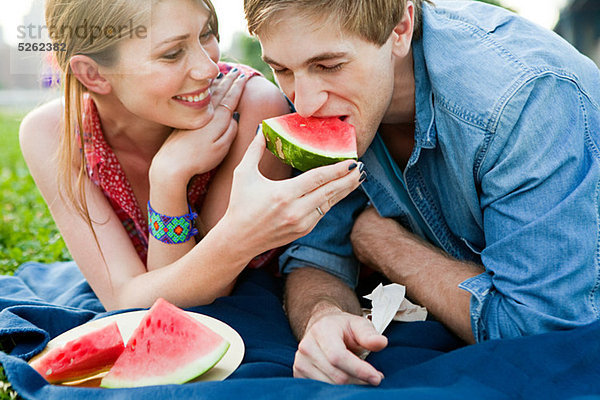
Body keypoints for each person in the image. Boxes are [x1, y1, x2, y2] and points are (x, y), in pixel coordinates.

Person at [243, 0, 600, 386]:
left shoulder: (522, 101)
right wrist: (324, 316)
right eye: (280, 69)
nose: (306, 103)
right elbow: (316, 256)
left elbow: (540, 334)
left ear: (400, 29)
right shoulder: (337, 101)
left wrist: (382, 243)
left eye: (328, 66)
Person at [19, 0, 363, 311]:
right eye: (172, 53)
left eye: (206, 34)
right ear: (93, 74)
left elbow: (204, 289)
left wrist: (168, 180)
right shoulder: (52, 134)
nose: (209, 69)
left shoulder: (254, 105)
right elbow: (123, 300)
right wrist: (169, 175)